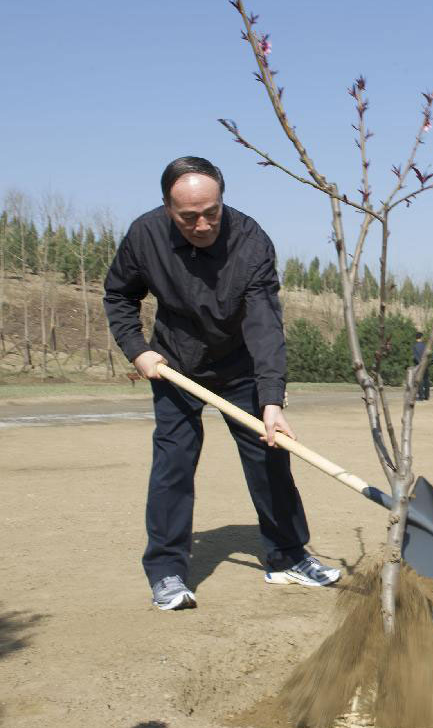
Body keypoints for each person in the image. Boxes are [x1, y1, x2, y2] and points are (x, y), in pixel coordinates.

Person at [104, 156, 340, 611]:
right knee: (173, 464)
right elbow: (119, 295)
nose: (202, 223)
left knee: (271, 457)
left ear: (222, 200)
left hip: (240, 367)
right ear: (168, 209)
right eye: (188, 216)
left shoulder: (250, 241)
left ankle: (287, 556)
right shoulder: (145, 235)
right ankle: (168, 570)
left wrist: (271, 399)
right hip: (174, 367)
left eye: (211, 212)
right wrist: (137, 348)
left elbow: (265, 325)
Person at [412, 332, 430, 400]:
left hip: (419, 365)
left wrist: (419, 363)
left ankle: (421, 396)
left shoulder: (415, 346)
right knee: (426, 380)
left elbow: (415, 357)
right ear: (421, 337)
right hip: (425, 364)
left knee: (420, 381)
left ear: (416, 338)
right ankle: (427, 396)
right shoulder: (425, 345)